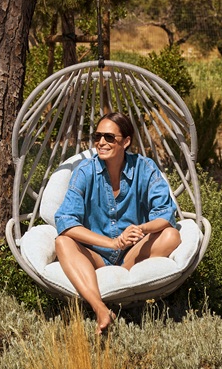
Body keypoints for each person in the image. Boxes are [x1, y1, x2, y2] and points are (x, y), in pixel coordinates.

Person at [52, 111, 182, 332]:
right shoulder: (84, 171)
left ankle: (121, 283)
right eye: (97, 136)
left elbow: (165, 214)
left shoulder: (146, 168)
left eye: (109, 137)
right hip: (95, 256)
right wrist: (111, 243)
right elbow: (65, 220)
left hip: (133, 254)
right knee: (62, 241)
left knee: (172, 235)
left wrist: (141, 229)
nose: (101, 142)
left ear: (127, 141)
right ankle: (100, 309)